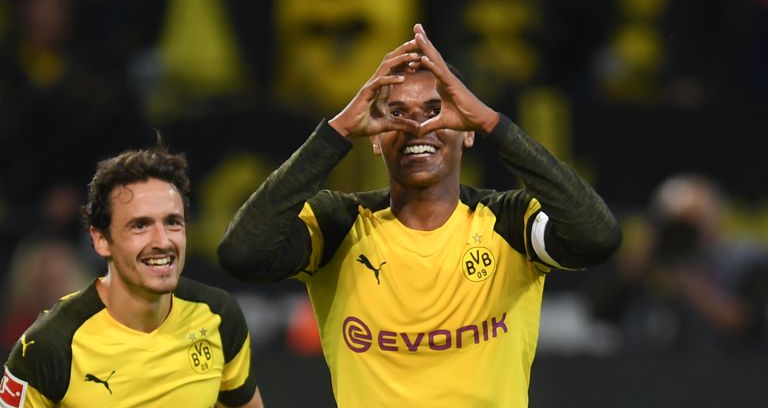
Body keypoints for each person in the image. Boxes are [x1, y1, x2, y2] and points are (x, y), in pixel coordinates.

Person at [218, 23, 621, 407]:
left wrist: (494, 124)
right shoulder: (341, 225)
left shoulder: (508, 223)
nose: (418, 127)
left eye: (436, 110)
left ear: (467, 128)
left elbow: (597, 237)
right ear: (374, 136)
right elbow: (243, 254)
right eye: (397, 113)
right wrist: (336, 132)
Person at [1, 139, 264, 407]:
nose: (162, 241)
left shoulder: (218, 315)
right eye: (140, 225)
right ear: (101, 240)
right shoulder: (49, 345)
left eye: (173, 222)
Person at [588, 173, 768, 354]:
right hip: (644, 373)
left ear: (715, 222)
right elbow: (596, 311)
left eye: (692, 225)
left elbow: (747, 325)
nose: (682, 236)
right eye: (675, 226)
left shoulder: (745, 261)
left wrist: (689, 283)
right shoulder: (641, 261)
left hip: (723, 375)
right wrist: (636, 265)